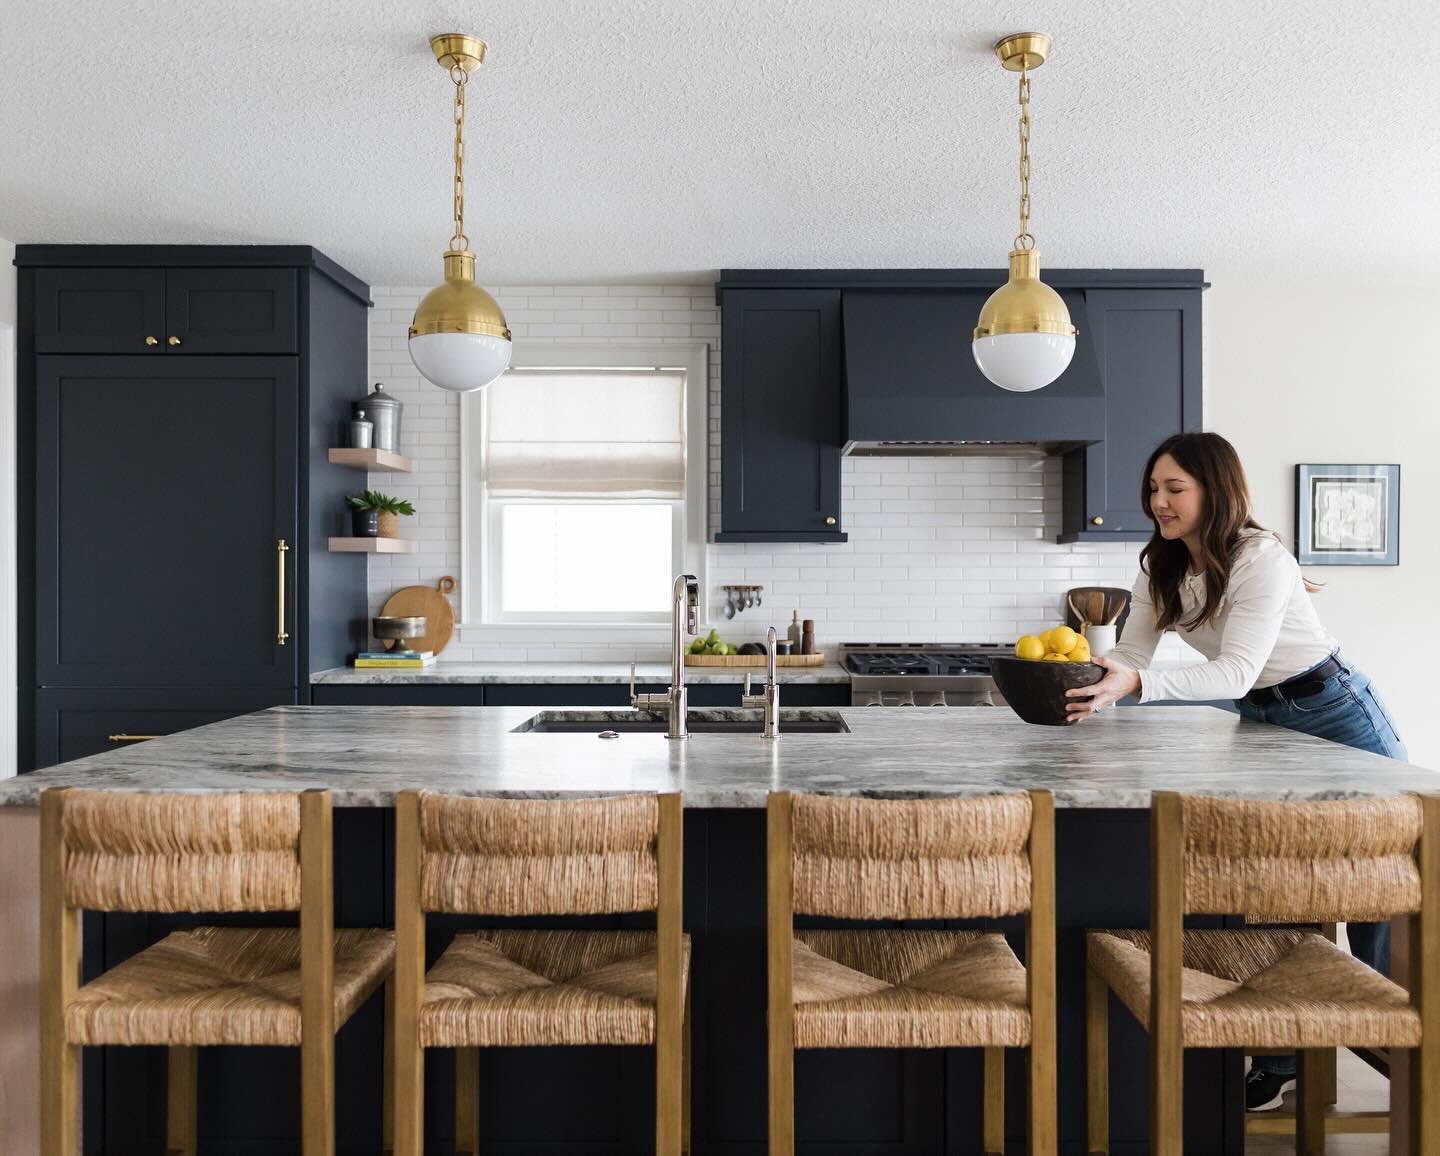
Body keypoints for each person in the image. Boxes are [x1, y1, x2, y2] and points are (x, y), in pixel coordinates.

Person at [1064, 431, 1408, 1112]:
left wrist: (1131, 686)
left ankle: (1398, 1051)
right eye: (1153, 489)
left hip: (1337, 712)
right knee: (1276, 879)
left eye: (1174, 489)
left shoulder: (1261, 558)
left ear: (1214, 491)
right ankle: (1282, 1055)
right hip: (1263, 719)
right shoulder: (1161, 564)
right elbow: (1133, 652)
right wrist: (1093, 687)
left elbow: (1235, 669)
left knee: (1380, 891)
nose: (1158, 502)